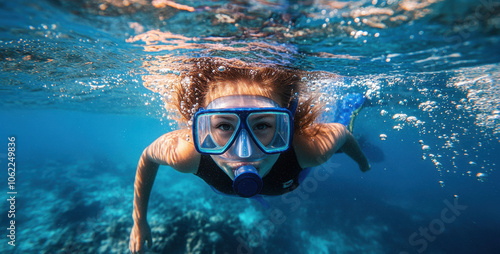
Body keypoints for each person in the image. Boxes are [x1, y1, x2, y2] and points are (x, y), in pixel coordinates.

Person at [129, 58, 370, 254]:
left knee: (342, 129)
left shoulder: (310, 149)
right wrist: (138, 221)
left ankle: (349, 108)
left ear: (286, 125)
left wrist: (362, 161)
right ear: (202, 128)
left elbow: (343, 136)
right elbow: (148, 158)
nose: (244, 152)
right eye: (224, 126)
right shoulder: (186, 152)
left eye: (262, 126)